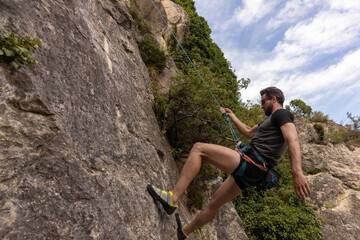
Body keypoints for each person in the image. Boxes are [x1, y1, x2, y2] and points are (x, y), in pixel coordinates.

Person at [147, 87, 310, 240]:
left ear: (273, 99)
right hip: (255, 172)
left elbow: (292, 139)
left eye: (263, 102)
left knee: (198, 149)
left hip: (254, 162)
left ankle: (173, 198)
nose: (261, 106)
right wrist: (231, 116)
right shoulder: (270, 121)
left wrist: (297, 171)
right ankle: (185, 232)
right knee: (214, 202)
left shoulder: (281, 114)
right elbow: (248, 132)